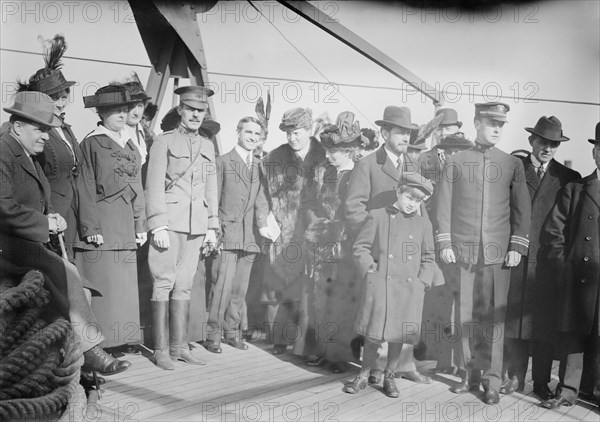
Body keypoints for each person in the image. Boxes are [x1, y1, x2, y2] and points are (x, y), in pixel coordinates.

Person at [0, 91, 131, 379]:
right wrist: (43, 224)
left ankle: (77, 362)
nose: (46, 137)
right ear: (18, 126)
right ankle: (90, 352)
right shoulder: (3, 152)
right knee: (68, 274)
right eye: (40, 129)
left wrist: (49, 216)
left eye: (48, 130)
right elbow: (4, 207)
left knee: (79, 284)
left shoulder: (25, 151)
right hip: (7, 247)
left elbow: (31, 200)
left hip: (22, 241)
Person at [434, 102, 531, 405]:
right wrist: (446, 243)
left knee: (495, 320)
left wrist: (517, 245)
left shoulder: (511, 164)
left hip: (498, 256)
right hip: (464, 253)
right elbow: (443, 205)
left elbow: (522, 210)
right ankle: (468, 373)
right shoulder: (457, 161)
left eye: (501, 124)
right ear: (476, 123)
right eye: (491, 123)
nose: (497, 129)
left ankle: (491, 379)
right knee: (466, 315)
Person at [345, 105, 431, 385]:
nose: (406, 138)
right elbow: (354, 208)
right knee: (376, 318)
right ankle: (371, 370)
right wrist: (370, 248)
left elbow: (421, 213)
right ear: (384, 133)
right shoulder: (368, 164)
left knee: (404, 315)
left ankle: (399, 368)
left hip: (406, 261)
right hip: (380, 255)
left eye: (409, 133)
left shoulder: (412, 166)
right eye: (400, 132)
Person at [502, 116, 580, 399]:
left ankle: (541, 382)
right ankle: (513, 378)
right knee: (514, 322)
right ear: (531, 141)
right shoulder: (514, 170)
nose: (547, 148)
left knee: (543, 325)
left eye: (553, 144)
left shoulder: (568, 179)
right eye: (543, 142)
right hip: (516, 257)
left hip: (548, 264)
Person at [8, 34, 101, 261]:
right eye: (53, 96)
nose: (61, 101)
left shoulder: (67, 128)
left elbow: (79, 173)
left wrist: (88, 220)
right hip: (47, 212)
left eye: (64, 94)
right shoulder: (32, 133)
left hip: (70, 211)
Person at [145, 85, 218, 369]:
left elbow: (211, 188)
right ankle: (161, 350)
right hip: (170, 222)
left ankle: (179, 346)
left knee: (184, 285)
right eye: (191, 110)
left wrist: (212, 225)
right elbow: (153, 186)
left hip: (197, 224)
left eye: (201, 111)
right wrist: (157, 224)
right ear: (180, 110)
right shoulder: (163, 143)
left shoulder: (208, 146)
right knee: (163, 282)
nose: (196, 115)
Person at [344, 173, 436, 398]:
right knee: (374, 333)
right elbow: (361, 247)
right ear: (399, 191)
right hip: (382, 284)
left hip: (409, 288)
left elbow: (429, 256)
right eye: (409, 197)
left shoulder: (423, 223)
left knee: (398, 335)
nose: (412, 203)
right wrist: (369, 269)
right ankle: (364, 374)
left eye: (418, 200)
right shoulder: (377, 216)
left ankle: (390, 376)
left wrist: (422, 281)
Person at [74, 85, 147, 350]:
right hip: (103, 224)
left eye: (124, 109)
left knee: (124, 285)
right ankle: (101, 346)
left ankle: (123, 340)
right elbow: (85, 184)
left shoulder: (130, 145)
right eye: (114, 109)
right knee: (105, 284)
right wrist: (90, 225)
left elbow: (137, 187)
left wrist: (141, 224)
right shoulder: (92, 142)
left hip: (126, 224)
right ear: (101, 112)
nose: (121, 114)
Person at [540, 122, 600, 410]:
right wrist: (564, 266)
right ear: (594, 151)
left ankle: (596, 391)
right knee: (573, 334)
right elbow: (555, 231)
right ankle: (568, 390)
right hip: (577, 276)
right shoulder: (576, 188)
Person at [262, 107, 327, 355]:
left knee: (311, 287)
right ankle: (280, 339)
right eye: (288, 133)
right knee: (283, 282)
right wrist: (266, 218)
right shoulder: (274, 159)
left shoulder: (325, 155)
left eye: (296, 132)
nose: (292, 138)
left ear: (309, 130)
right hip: (284, 229)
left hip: (314, 228)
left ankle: (309, 344)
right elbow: (263, 194)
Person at [303, 112, 362, 372]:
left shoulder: (358, 173)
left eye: (334, 151)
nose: (329, 155)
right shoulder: (322, 172)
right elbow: (310, 203)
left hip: (347, 245)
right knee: (320, 298)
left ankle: (339, 355)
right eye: (327, 150)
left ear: (348, 150)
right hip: (322, 243)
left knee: (342, 301)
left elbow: (361, 211)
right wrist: (317, 226)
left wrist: (343, 234)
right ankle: (322, 350)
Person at [205, 116, 270, 353]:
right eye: (248, 132)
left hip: (250, 237)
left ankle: (232, 332)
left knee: (239, 289)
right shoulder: (222, 162)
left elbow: (262, 199)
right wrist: (214, 231)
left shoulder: (260, 166)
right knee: (221, 286)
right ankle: (213, 334)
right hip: (227, 235)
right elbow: (214, 199)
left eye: (256, 134)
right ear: (238, 132)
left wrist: (263, 225)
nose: (252, 137)